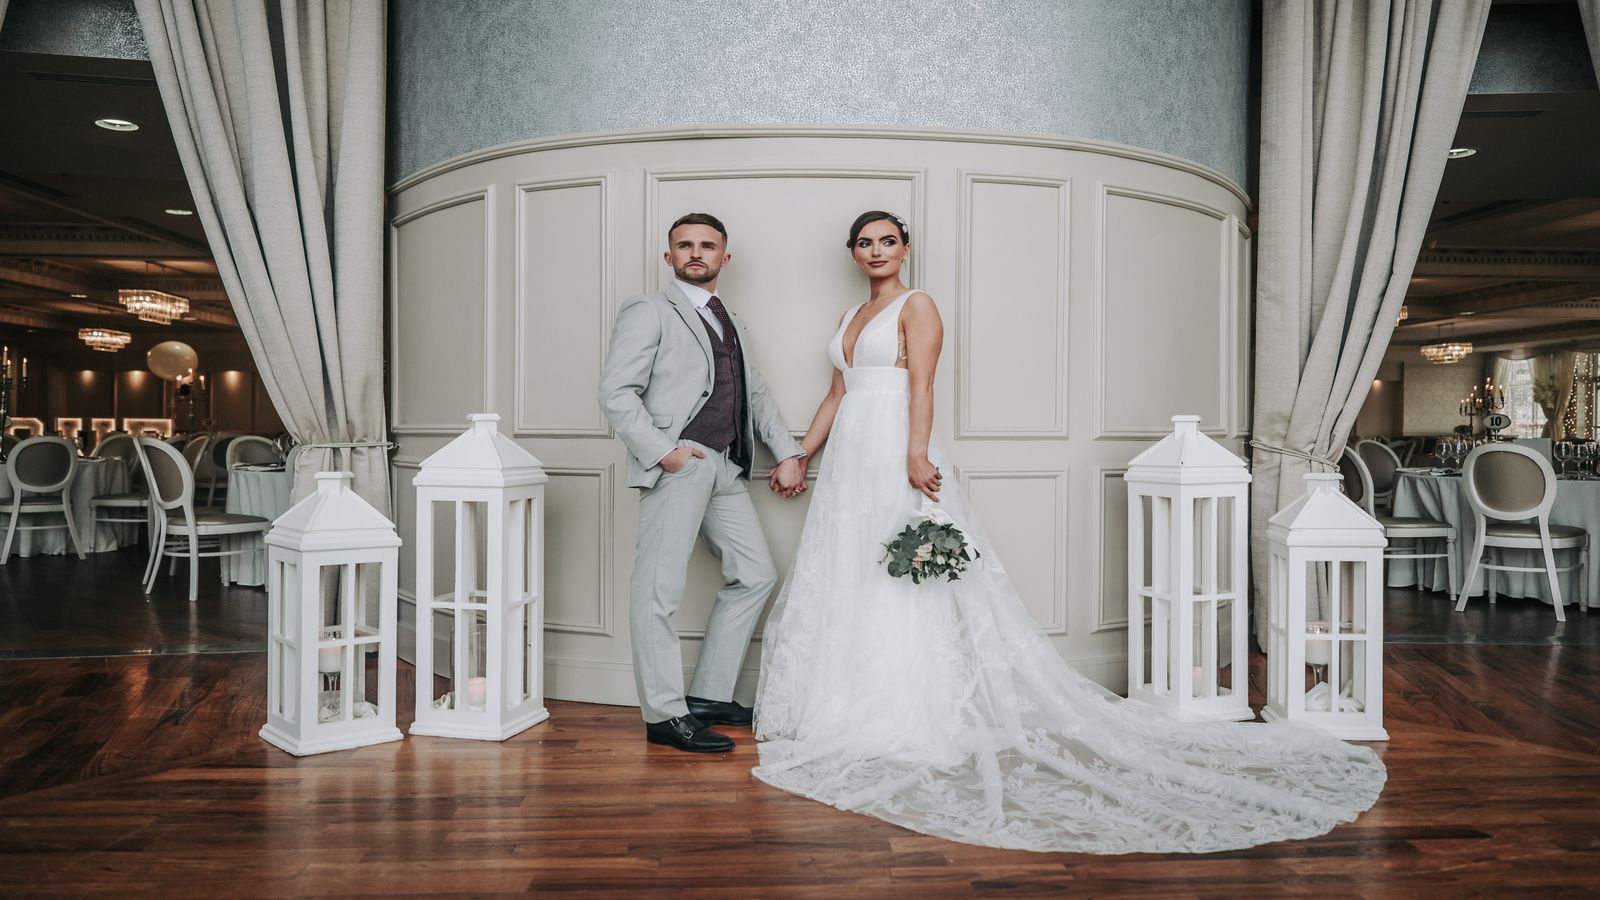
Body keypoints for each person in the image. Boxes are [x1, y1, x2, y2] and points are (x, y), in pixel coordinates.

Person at [751, 210, 1387, 854]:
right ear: (854, 254)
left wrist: (917, 454)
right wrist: (801, 454)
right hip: (847, 465)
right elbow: (838, 394)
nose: (877, 249)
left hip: (892, 450)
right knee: (850, 571)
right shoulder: (846, 320)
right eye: (865, 242)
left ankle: (903, 706)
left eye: (888, 239)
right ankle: (849, 701)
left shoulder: (919, 305)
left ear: (905, 248)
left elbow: (922, 386)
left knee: (904, 573)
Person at [598, 212, 808, 753]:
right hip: (681, 463)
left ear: (724, 257)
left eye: (707, 246)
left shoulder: (728, 318)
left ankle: (710, 696)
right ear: (669, 257)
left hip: (725, 467)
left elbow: (754, 395)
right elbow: (616, 391)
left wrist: (789, 453)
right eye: (685, 246)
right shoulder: (649, 310)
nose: (697, 253)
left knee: (756, 574)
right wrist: (665, 453)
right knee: (658, 591)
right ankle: (664, 715)